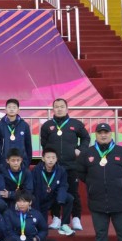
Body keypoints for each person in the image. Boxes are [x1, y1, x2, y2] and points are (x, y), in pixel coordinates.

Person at [40, 98, 90, 231]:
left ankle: (76, 218)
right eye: (56, 107)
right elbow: (44, 144)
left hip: (72, 165)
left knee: (73, 192)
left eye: (62, 106)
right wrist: (50, 158)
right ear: (53, 109)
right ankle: (56, 218)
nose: (59, 109)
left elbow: (86, 138)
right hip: (54, 167)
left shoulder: (76, 124)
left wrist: (80, 150)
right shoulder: (47, 126)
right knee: (54, 192)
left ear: (67, 108)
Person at [33, 147, 74, 236]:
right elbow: (35, 190)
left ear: (56, 159)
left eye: (53, 158)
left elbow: (63, 185)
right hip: (41, 200)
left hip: (54, 197)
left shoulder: (61, 170)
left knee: (69, 198)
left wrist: (61, 198)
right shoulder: (36, 170)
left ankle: (64, 224)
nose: (51, 160)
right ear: (43, 158)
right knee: (43, 228)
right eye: (48, 157)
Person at [0, 98, 32, 170]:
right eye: (9, 107)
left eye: (14, 107)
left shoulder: (24, 125)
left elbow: (28, 146)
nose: (11, 109)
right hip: (4, 163)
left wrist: (27, 162)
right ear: (5, 109)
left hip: (21, 163)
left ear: (18, 110)